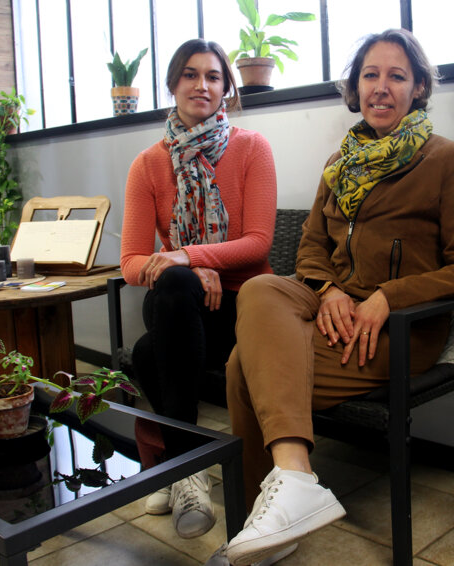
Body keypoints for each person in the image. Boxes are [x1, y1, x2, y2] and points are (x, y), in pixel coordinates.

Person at [218, 29, 454, 565]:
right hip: (332, 310)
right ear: (355, 87)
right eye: (371, 75)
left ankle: (274, 516)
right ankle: (293, 485)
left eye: (397, 76)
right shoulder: (339, 163)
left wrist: (388, 296)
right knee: (259, 287)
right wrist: (328, 290)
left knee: (239, 369)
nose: (381, 87)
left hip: (399, 331)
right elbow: (311, 248)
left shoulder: (447, 160)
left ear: (418, 89)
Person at [120, 38, 276, 541]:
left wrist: (190, 257)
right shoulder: (148, 164)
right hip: (184, 308)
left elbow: (258, 244)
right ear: (172, 85)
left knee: (147, 352)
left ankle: (175, 464)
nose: (201, 85)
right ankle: (189, 472)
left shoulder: (252, 148)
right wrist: (185, 271)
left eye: (213, 76)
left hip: (246, 310)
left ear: (227, 89)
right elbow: (130, 262)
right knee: (173, 289)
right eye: (190, 74)